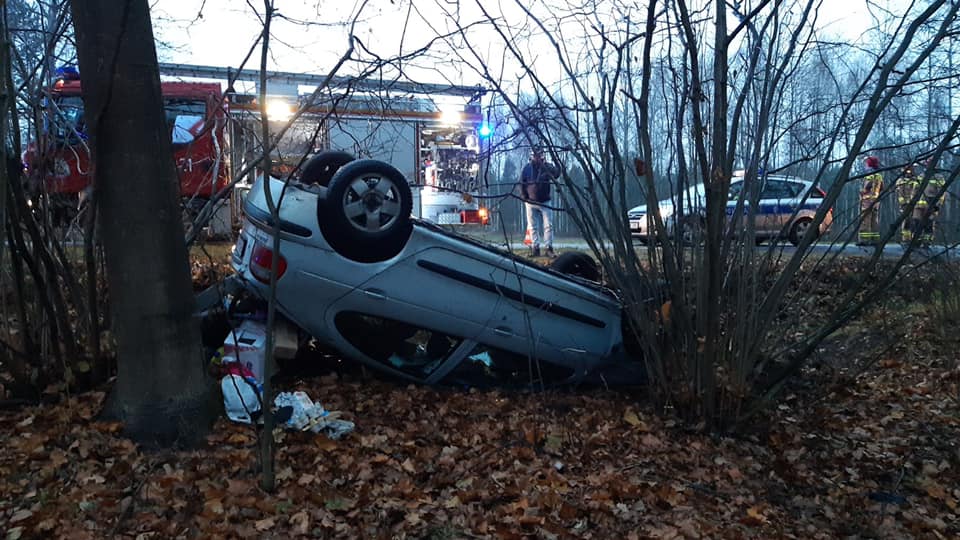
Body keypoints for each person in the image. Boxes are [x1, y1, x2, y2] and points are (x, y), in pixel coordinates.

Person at [519, 147, 560, 257]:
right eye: (536, 155)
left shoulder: (547, 167)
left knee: (548, 226)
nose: (538, 157)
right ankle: (535, 248)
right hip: (530, 202)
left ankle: (548, 248)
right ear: (532, 156)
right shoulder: (527, 168)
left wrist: (549, 165)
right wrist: (524, 197)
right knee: (532, 226)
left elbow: (557, 174)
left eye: (540, 155)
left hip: (545, 201)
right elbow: (522, 183)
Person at [858, 156, 883, 245]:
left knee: (865, 220)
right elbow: (881, 188)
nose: (865, 165)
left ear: (870, 164)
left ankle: (864, 240)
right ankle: (874, 240)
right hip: (876, 201)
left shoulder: (870, 176)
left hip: (867, 201)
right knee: (874, 221)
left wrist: (862, 192)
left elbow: (867, 188)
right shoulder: (879, 175)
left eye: (866, 163)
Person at [896, 164, 920, 244]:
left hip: (916, 204)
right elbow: (900, 194)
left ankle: (915, 239)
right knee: (906, 221)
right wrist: (903, 204)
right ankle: (906, 239)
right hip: (905, 205)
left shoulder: (917, 180)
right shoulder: (901, 181)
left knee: (915, 221)